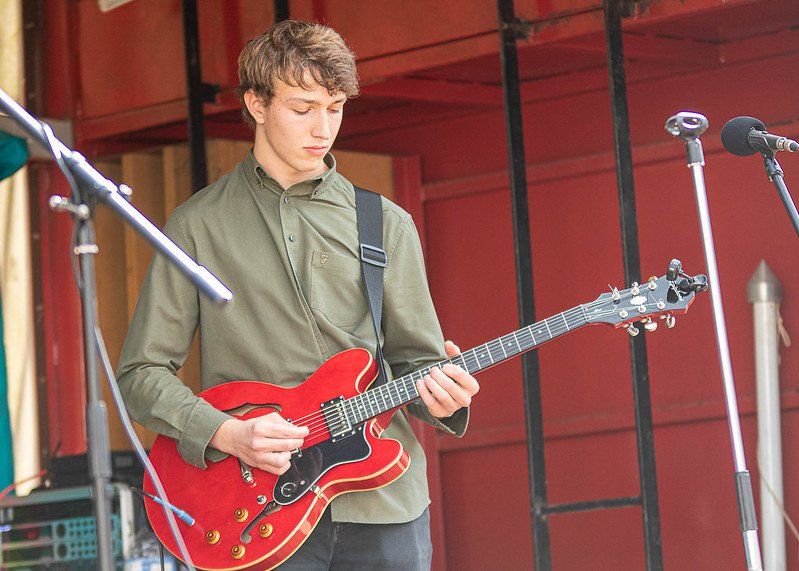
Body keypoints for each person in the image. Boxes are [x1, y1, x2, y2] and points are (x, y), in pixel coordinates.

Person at [117, 19, 479, 570]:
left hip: (383, 507)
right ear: (257, 104)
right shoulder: (196, 226)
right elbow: (141, 373)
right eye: (303, 107)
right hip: (254, 509)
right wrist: (228, 433)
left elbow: (418, 362)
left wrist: (445, 395)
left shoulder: (387, 224)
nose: (323, 127)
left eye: (335, 107)